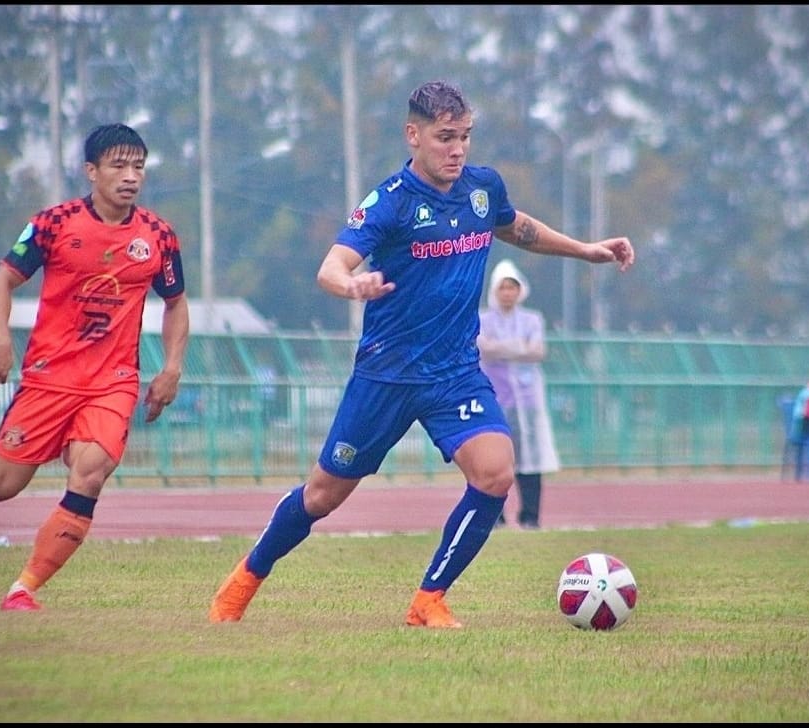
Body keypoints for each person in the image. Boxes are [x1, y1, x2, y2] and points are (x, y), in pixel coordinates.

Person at [208, 80, 634, 629]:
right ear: (414, 135)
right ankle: (243, 582)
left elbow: (518, 229)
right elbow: (331, 266)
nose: (457, 149)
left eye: (465, 137)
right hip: (386, 374)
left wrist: (586, 251)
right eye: (444, 138)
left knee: (495, 475)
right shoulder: (390, 202)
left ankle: (428, 599)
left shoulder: (482, 188)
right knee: (322, 495)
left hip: (455, 372)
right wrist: (351, 286)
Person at [0, 123, 190, 611]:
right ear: (92, 171)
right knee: (2, 488)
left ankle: (23, 589)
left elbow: (175, 303)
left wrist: (171, 368)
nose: (130, 176)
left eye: (139, 167)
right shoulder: (53, 223)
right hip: (48, 377)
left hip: (113, 382)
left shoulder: (157, 236)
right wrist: (1, 342)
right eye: (118, 166)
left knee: (90, 473)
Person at [477, 259, 560, 529]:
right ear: (495, 291)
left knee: (530, 461)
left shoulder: (531, 319)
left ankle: (530, 516)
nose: (508, 293)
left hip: (528, 402)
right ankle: (495, 517)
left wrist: (503, 348)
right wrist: (518, 348)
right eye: (503, 288)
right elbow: (483, 349)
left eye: (512, 287)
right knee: (495, 461)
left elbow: (537, 351)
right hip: (496, 400)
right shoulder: (483, 319)